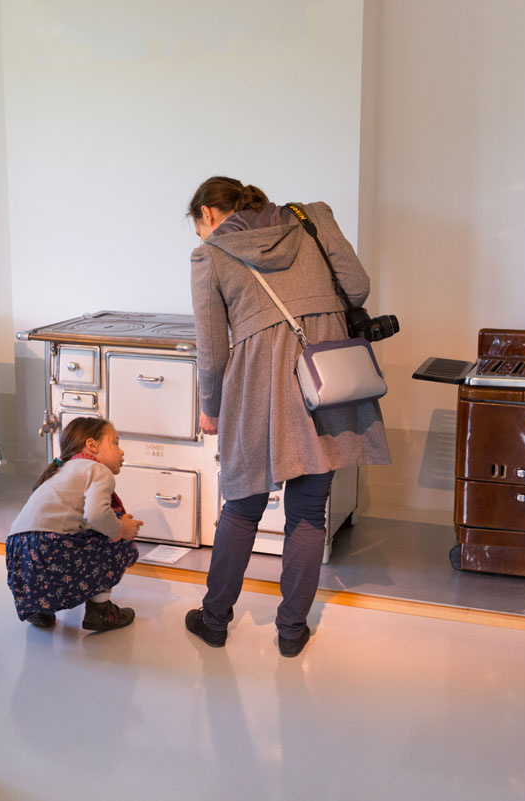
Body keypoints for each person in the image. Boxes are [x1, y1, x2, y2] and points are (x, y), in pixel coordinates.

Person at [183, 176, 390, 657]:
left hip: (260, 386)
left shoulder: (210, 254)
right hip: (323, 376)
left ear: (209, 216)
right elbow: (356, 288)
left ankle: (214, 620)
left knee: (242, 504)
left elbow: (212, 353)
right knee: (308, 510)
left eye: (200, 228)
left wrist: (210, 409)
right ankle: (292, 631)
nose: (203, 238)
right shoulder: (311, 216)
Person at [6, 417, 143, 631]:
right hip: (50, 546)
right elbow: (97, 515)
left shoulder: (59, 470)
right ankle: (101, 610)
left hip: (18, 550)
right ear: (92, 445)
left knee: (93, 530)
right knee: (115, 535)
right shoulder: (97, 470)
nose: (121, 451)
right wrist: (122, 530)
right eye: (115, 442)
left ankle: (39, 608)